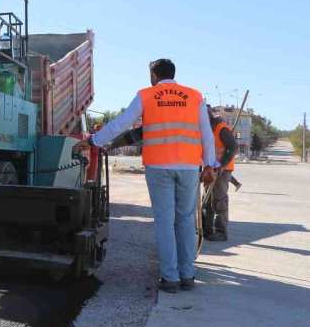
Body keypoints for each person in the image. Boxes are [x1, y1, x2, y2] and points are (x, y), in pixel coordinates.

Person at [76, 59, 219, 293]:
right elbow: (207, 135)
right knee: (185, 221)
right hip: (189, 168)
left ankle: (170, 279)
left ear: (154, 75)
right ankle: (187, 276)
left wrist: (94, 141)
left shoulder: (147, 95)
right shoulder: (194, 96)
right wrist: (210, 165)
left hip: (159, 167)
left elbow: (122, 123)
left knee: (164, 222)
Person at [204, 104, 238, 241]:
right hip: (210, 169)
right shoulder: (206, 129)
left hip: (222, 170)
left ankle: (221, 232)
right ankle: (206, 230)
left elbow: (234, 147)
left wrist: (222, 165)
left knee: (219, 200)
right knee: (207, 200)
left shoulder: (221, 128)